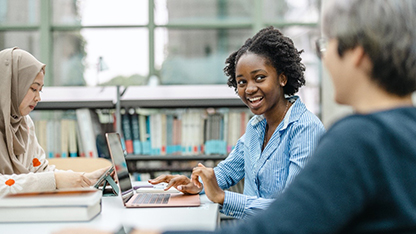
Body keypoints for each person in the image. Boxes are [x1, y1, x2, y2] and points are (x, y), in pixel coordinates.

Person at [54, 0, 416, 233]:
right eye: (242, 82)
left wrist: (136, 232)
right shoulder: (401, 130)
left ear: (357, 52)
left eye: (328, 45)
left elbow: (285, 221)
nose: (325, 57)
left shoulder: (352, 138)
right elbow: (228, 172)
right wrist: (197, 181)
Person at [148, 26, 325, 219]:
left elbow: (294, 208)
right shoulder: (256, 126)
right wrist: (196, 185)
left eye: (259, 78)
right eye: (242, 82)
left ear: (282, 78)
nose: (249, 89)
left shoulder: (306, 129)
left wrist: (223, 197)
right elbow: (228, 170)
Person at [0, 47, 110, 195]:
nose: (38, 98)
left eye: (40, 90)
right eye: (33, 88)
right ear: (11, 85)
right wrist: (55, 180)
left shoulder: (24, 124)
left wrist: (86, 179)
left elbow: (40, 170)